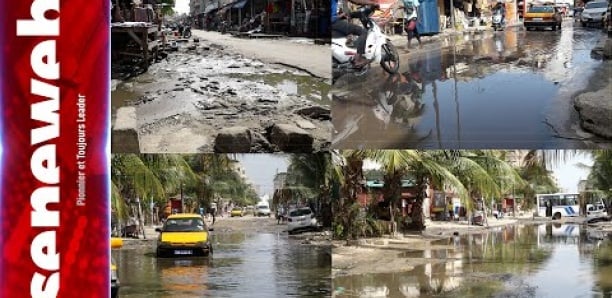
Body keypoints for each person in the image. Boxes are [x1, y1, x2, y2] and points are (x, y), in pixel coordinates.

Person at [331, 0, 380, 68]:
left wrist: (341, 15)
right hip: (333, 22)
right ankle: (358, 59)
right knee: (364, 32)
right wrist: (373, 3)